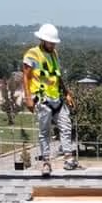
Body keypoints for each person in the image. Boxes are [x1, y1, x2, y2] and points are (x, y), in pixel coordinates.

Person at [21, 23, 78, 172]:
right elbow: (26, 77)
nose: (53, 45)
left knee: (66, 126)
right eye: (50, 42)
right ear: (43, 40)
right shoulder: (32, 54)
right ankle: (46, 161)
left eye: (54, 42)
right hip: (42, 98)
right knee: (44, 131)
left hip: (56, 98)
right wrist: (27, 97)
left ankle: (68, 157)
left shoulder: (54, 54)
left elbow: (57, 76)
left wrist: (66, 93)